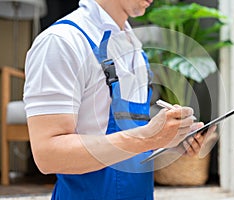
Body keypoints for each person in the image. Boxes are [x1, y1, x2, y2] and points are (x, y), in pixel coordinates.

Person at [23, 0, 215, 199]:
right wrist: (148, 137)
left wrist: (169, 142)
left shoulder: (136, 51)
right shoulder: (62, 42)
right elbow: (48, 155)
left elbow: (130, 146)